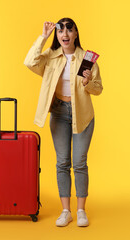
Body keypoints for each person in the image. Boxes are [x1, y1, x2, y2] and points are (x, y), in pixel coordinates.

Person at [24, 18, 103, 227]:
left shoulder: (87, 59)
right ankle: (66, 211)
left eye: (69, 29)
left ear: (76, 33)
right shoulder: (51, 56)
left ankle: (81, 211)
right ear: (57, 35)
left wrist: (88, 82)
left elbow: (98, 89)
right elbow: (30, 62)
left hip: (82, 115)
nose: (65, 33)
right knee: (62, 163)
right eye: (61, 30)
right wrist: (43, 36)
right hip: (59, 113)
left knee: (79, 163)